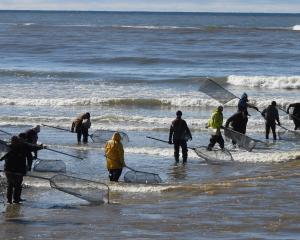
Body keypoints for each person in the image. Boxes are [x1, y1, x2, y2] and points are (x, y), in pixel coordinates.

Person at [0, 136, 44, 204]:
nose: (15, 143)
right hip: (12, 170)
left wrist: (41, 147)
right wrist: (41, 147)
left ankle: (12, 200)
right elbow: (1, 157)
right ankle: (13, 200)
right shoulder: (21, 147)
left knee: (13, 185)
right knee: (14, 185)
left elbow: (33, 147)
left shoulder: (10, 147)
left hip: (14, 170)